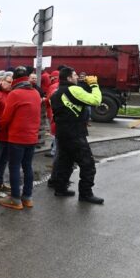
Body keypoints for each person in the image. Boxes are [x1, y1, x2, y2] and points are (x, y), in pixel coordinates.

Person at [48, 67, 104, 204]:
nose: (77, 76)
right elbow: (96, 100)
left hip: (62, 132)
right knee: (88, 164)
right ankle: (86, 194)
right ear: (68, 78)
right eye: (74, 75)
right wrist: (94, 85)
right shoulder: (74, 90)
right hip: (75, 133)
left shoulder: (56, 92)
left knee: (65, 162)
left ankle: (60, 189)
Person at [0, 69, 42, 210]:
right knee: (27, 166)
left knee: (14, 167)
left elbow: (6, 117)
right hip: (32, 137)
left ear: (15, 80)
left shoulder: (14, 94)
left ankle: (15, 199)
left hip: (17, 137)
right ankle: (27, 198)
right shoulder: (36, 93)